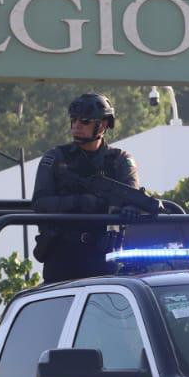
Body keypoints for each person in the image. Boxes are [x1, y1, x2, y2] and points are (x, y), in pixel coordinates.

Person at [32, 92, 144, 283]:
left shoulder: (120, 160)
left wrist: (132, 209)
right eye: (73, 120)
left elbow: (132, 196)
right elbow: (40, 203)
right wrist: (80, 203)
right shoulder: (56, 158)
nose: (76, 125)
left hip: (104, 255)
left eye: (84, 121)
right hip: (61, 254)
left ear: (103, 125)